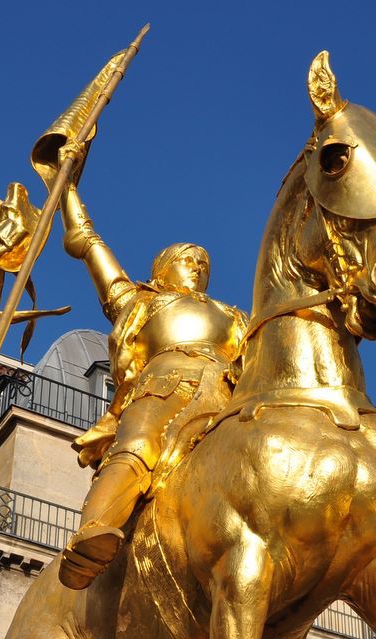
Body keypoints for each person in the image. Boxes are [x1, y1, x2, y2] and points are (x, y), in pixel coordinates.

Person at [58, 180, 248, 589]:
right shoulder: (142, 301)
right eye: (187, 259)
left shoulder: (233, 315)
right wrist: (66, 193)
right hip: (166, 384)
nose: (198, 266)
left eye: (203, 263)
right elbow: (87, 243)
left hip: (228, 391)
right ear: (163, 267)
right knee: (140, 443)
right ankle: (93, 530)